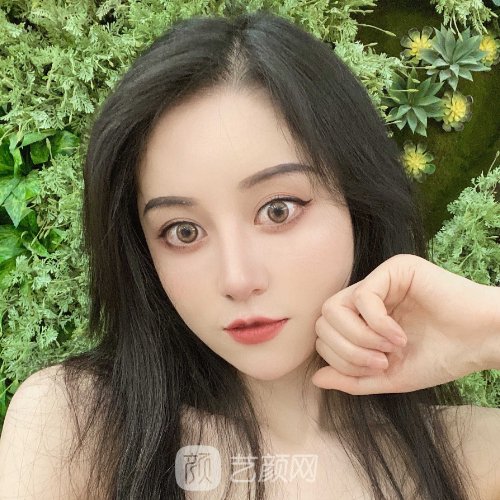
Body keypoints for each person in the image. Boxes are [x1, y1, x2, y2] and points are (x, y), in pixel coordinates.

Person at [0, 9, 499, 500]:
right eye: (183, 231)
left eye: (278, 210)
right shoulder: (77, 430)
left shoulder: (468, 455)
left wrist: (488, 329)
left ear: (358, 202)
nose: (238, 279)